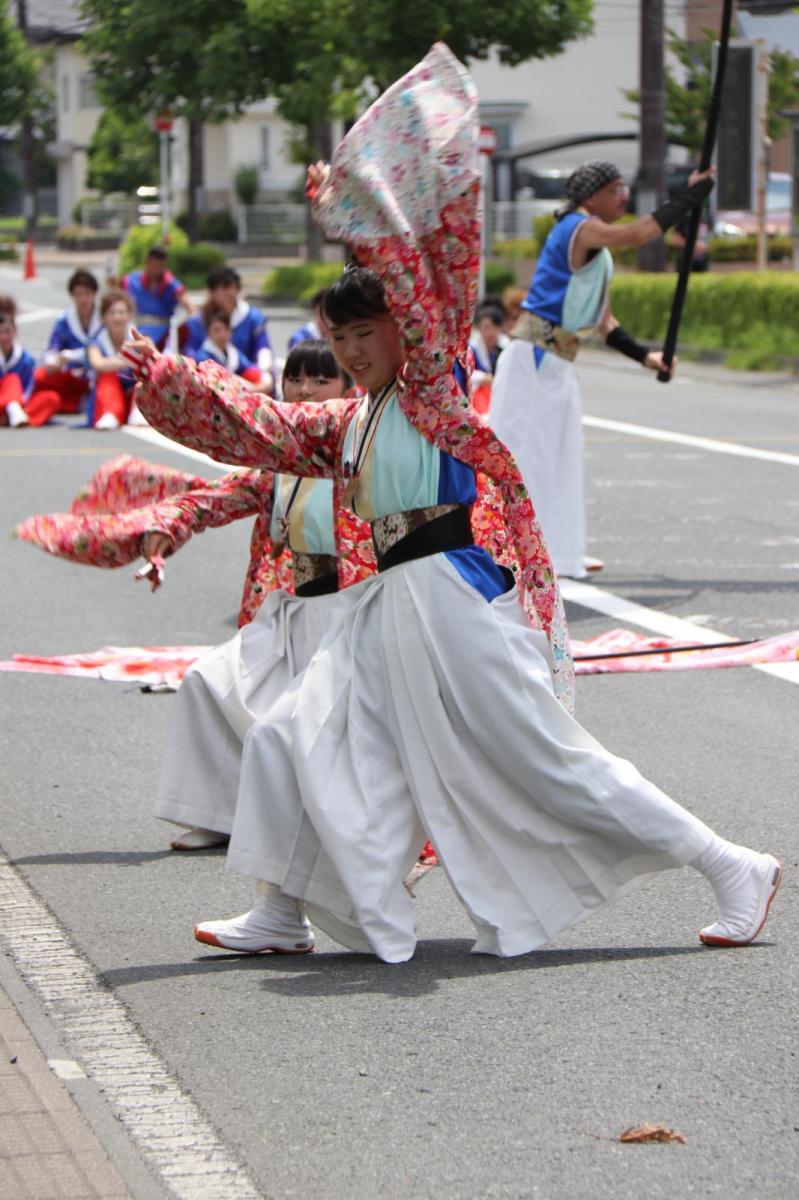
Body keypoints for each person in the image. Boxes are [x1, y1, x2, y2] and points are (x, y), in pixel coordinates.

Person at [125, 45, 780, 962]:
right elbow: (255, 424)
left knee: (545, 761)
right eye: (338, 337)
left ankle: (730, 862)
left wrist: (350, 220)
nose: (351, 352)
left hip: (452, 599)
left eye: (364, 333)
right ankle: (281, 910)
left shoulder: (432, 382)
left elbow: (415, 281)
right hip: (381, 607)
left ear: (401, 328)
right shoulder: (350, 421)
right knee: (292, 736)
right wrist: (166, 377)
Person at [490, 159, 714, 579]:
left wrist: (645, 357)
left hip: (558, 365)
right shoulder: (579, 226)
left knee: (561, 461)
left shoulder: (601, 253)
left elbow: (605, 323)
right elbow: (639, 233)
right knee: (524, 461)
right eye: (615, 189)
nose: (624, 196)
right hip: (530, 362)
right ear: (590, 195)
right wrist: (687, 198)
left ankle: (556, 552)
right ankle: (506, 552)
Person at [182, 265, 275, 393]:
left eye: (235, 287)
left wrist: (263, 372)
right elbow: (191, 353)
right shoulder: (198, 321)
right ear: (213, 291)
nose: (231, 293)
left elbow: (262, 348)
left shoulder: (252, 318)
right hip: (210, 381)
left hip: (245, 378)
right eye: (225, 288)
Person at [30, 269, 102, 418]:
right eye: (78, 294)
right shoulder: (65, 320)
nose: (83, 299)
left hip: (98, 373)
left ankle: (78, 402)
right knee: (37, 377)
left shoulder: (105, 318)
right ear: (72, 295)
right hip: (71, 375)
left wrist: (71, 355)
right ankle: (75, 402)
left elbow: (108, 350)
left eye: (87, 293)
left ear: (94, 294)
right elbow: (53, 347)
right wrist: (52, 361)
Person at [88, 290, 145, 429]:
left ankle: (139, 411)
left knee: (144, 376)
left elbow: (152, 360)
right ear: (103, 317)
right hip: (106, 399)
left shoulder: (139, 338)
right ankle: (110, 414)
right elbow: (98, 364)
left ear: (129, 315)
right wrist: (130, 360)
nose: (117, 317)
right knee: (108, 374)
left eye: (121, 312)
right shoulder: (95, 341)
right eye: (112, 313)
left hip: (133, 395)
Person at [122, 246, 194, 352]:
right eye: (152, 264)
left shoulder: (171, 284)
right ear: (146, 262)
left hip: (163, 335)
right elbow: (117, 298)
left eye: (159, 265)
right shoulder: (132, 280)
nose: (155, 268)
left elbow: (189, 306)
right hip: (137, 328)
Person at [193, 308, 266, 389]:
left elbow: (248, 367)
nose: (222, 335)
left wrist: (263, 378)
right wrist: (251, 387)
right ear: (208, 333)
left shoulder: (232, 352)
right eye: (217, 330)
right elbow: (220, 381)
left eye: (226, 329)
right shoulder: (203, 357)